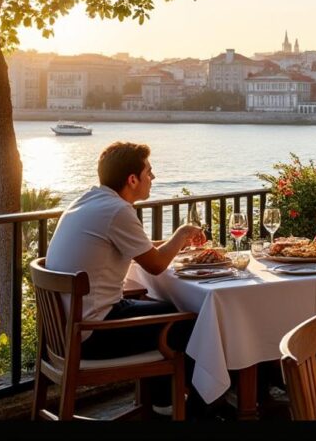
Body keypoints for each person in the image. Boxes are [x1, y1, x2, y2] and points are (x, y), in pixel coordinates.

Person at [45, 142, 204, 410]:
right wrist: (181, 234)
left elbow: (138, 248)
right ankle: (197, 408)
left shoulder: (88, 201)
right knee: (187, 320)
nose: (153, 178)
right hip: (90, 335)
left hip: (64, 333)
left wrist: (172, 243)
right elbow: (155, 265)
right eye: (149, 172)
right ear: (132, 179)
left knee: (165, 308)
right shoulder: (118, 211)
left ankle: (162, 403)